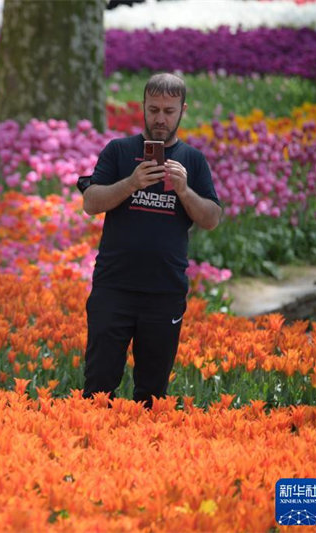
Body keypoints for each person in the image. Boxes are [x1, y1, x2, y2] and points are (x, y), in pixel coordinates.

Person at [81, 72, 222, 408]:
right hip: (113, 287)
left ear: (182, 110)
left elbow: (211, 219)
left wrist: (185, 190)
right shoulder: (118, 151)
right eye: (154, 109)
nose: (160, 118)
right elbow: (90, 203)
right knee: (98, 390)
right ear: (143, 107)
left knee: (152, 396)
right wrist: (131, 183)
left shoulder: (193, 160)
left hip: (164, 292)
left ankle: (145, 459)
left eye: (169, 111)